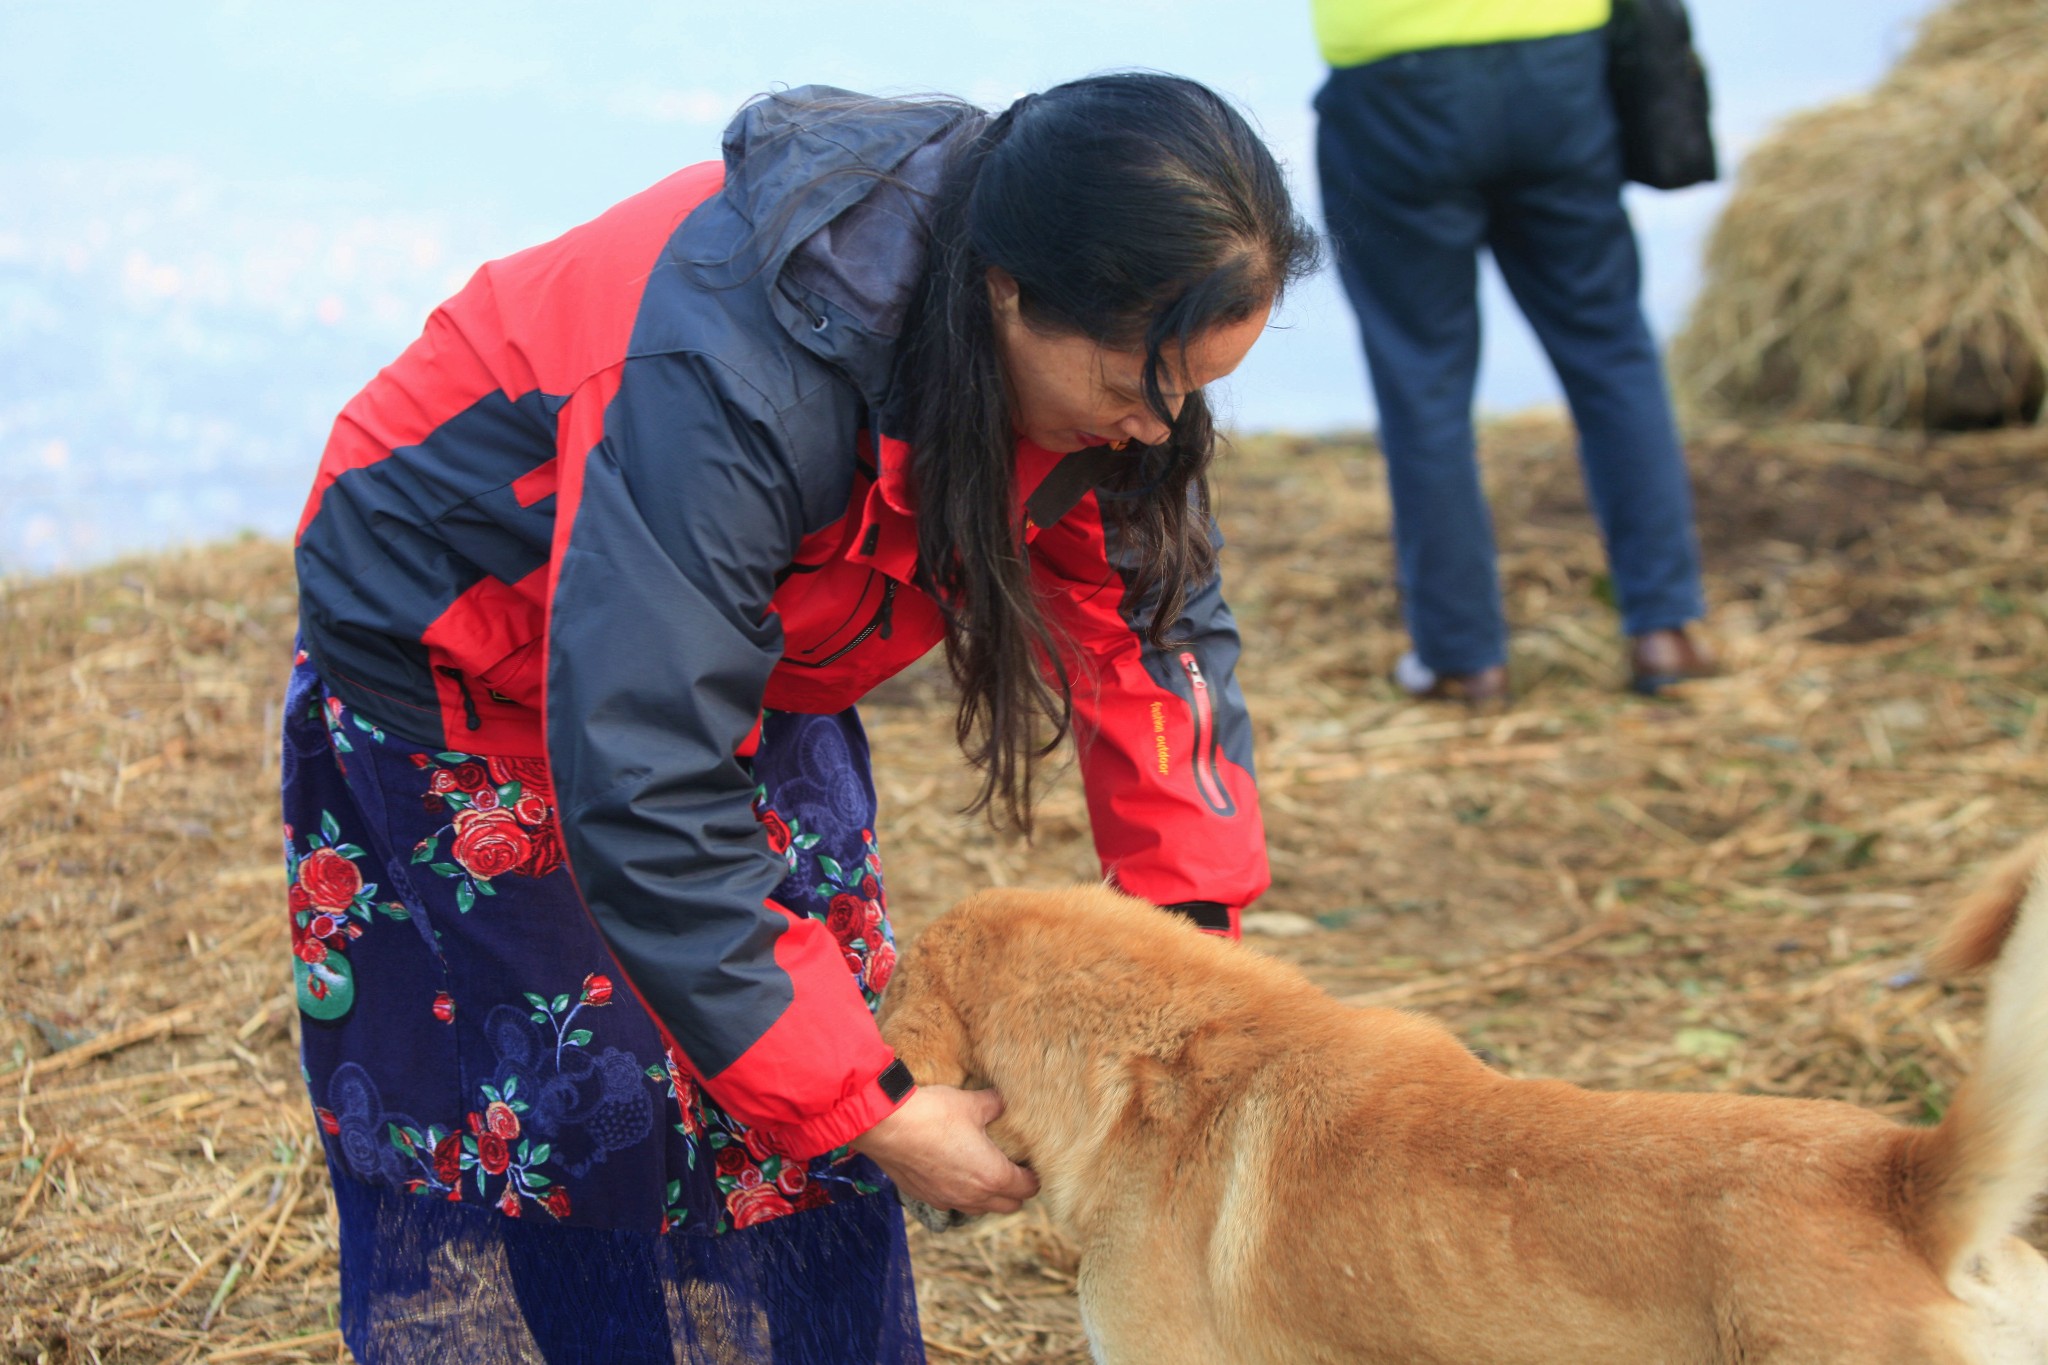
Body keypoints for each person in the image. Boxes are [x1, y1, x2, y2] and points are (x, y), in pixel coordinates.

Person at [283, 75, 1316, 1363]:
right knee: (589, 1096)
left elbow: (1150, 635)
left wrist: (1189, 962)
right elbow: (644, 772)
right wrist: (872, 1113)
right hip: (467, 650)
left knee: (831, 1039)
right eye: (1141, 379)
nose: (1161, 423)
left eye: (1196, 387)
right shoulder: (733, 381)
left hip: (727, 647)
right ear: (1005, 289)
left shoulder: (1091, 374)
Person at [1312, 0, 1716, 704]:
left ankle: (1463, 658)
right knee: (1611, 348)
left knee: (1422, 379)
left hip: (1391, 77)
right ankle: (1665, 630)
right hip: (1557, 60)